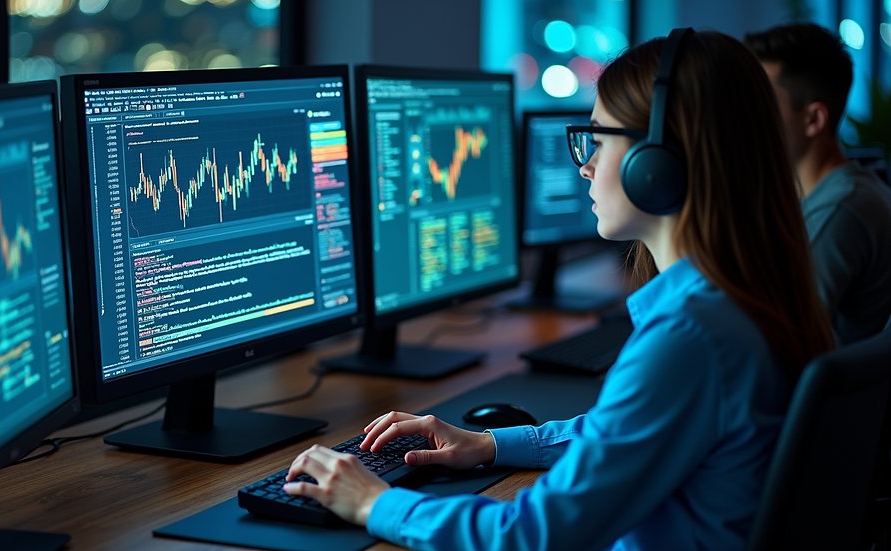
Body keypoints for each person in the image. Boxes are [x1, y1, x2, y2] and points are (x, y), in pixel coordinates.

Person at [281, 30, 834, 551]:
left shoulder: (689, 336)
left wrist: (376, 502)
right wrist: (491, 444)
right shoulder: (746, 294)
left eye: (599, 140)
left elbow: (536, 536)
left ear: (660, 163)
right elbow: (622, 433)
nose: (587, 166)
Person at [744, 23, 891, 345]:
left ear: (814, 120)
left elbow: (769, 343)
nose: (744, 117)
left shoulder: (841, 208)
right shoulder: (824, 194)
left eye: (759, 103)